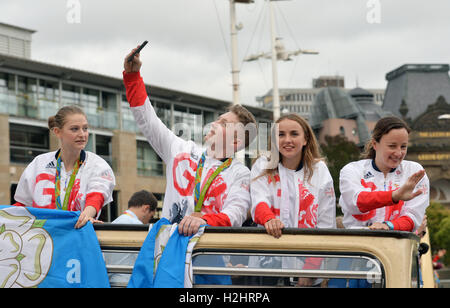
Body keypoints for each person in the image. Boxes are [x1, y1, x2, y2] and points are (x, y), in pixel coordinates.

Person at [123, 46, 256, 236]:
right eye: (218, 119)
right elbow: (148, 121)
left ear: (236, 142)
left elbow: (235, 214)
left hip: (206, 255)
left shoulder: (240, 173)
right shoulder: (181, 149)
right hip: (168, 247)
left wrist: (202, 219)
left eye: (224, 124)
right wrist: (132, 76)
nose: (214, 124)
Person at [250, 113, 336, 287]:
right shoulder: (262, 165)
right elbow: (258, 202)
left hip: (305, 267)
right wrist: (269, 219)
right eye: (281, 135)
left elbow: (326, 224)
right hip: (266, 265)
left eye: (294, 134)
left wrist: (310, 269)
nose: (287, 140)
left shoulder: (320, 171)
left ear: (305, 139)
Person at [13, 106, 116, 229]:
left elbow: (97, 196)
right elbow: (22, 205)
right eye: (74, 129)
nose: (82, 134)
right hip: (42, 239)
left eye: (85, 128)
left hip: (77, 235)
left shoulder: (97, 165)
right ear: (57, 132)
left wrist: (87, 215)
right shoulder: (39, 163)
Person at [339, 116, 429, 232]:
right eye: (392, 146)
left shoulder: (414, 171)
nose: (398, 153)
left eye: (403, 146)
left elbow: (414, 218)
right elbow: (356, 202)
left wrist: (388, 226)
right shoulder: (352, 170)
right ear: (375, 144)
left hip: (398, 244)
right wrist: (394, 196)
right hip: (358, 244)